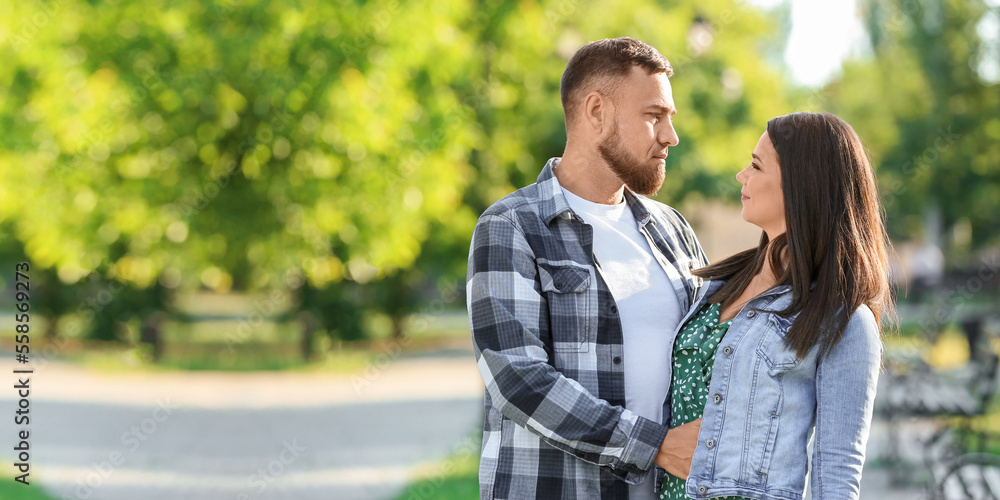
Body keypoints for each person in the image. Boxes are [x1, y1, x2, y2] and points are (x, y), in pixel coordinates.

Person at [466, 37, 708, 499]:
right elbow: (518, 379)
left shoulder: (674, 230)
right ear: (596, 112)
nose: (671, 137)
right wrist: (655, 446)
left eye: (670, 118)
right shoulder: (511, 226)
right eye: (654, 116)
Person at [657, 112, 891, 500]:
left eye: (756, 165)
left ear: (802, 186)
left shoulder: (844, 319)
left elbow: (837, 469)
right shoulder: (716, 287)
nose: (741, 176)